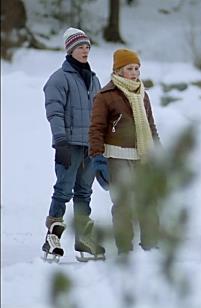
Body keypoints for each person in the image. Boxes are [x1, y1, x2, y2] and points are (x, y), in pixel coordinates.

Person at [42, 27, 105, 262]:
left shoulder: (94, 78)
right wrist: (60, 142)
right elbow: (54, 112)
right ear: (70, 49)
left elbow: (99, 114)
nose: (85, 50)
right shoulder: (59, 79)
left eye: (87, 46)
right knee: (63, 190)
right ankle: (52, 238)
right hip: (69, 146)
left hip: (90, 146)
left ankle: (84, 239)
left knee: (84, 193)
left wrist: (101, 143)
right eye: (80, 46)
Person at [89, 48, 161, 255]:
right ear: (119, 70)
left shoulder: (142, 94)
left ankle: (151, 245)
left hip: (142, 156)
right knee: (123, 203)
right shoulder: (105, 96)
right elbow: (95, 128)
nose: (135, 73)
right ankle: (124, 248)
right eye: (130, 68)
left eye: (137, 68)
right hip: (117, 157)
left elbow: (151, 125)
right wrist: (97, 157)